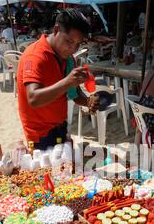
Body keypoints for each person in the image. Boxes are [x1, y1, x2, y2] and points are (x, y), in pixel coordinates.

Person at [17, 8, 99, 150]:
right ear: (56, 30)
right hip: (40, 134)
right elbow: (33, 98)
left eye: (78, 44)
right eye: (69, 41)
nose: (73, 48)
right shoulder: (36, 56)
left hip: (60, 126)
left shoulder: (67, 59)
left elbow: (74, 93)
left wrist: (87, 101)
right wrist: (67, 82)